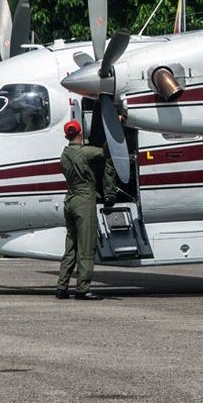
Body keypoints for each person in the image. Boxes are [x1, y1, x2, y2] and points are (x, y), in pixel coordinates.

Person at [55, 119, 118, 300]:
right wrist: (113, 131)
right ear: (80, 133)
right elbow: (106, 153)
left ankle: (62, 287)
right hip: (84, 200)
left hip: (70, 199)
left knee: (71, 246)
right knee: (86, 246)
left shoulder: (64, 154)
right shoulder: (84, 152)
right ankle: (82, 289)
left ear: (67, 135)